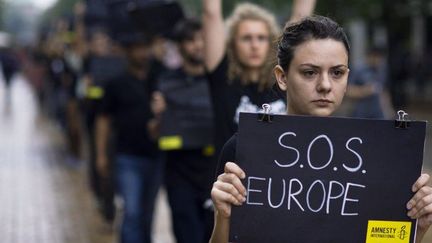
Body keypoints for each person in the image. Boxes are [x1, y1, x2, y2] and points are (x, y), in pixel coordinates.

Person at [210, 16, 432, 243]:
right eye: (309, 72)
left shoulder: (377, 158)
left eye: (337, 73)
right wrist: (222, 216)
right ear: (282, 77)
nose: (325, 85)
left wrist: (416, 229)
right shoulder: (242, 151)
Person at [151, 18, 216, 243]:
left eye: (201, 39)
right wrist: (159, 116)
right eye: (190, 40)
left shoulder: (220, 80)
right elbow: (153, 132)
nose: (198, 45)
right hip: (179, 169)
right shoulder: (166, 82)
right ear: (179, 46)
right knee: (186, 232)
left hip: (213, 168)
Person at [95, 34, 163, 243]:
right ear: (128, 51)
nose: (143, 53)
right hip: (127, 156)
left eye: (146, 48)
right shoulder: (116, 83)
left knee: (147, 214)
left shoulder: (159, 80)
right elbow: (103, 120)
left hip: (156, 156)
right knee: (131, 211)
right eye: (137, 48)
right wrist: (101, 155)